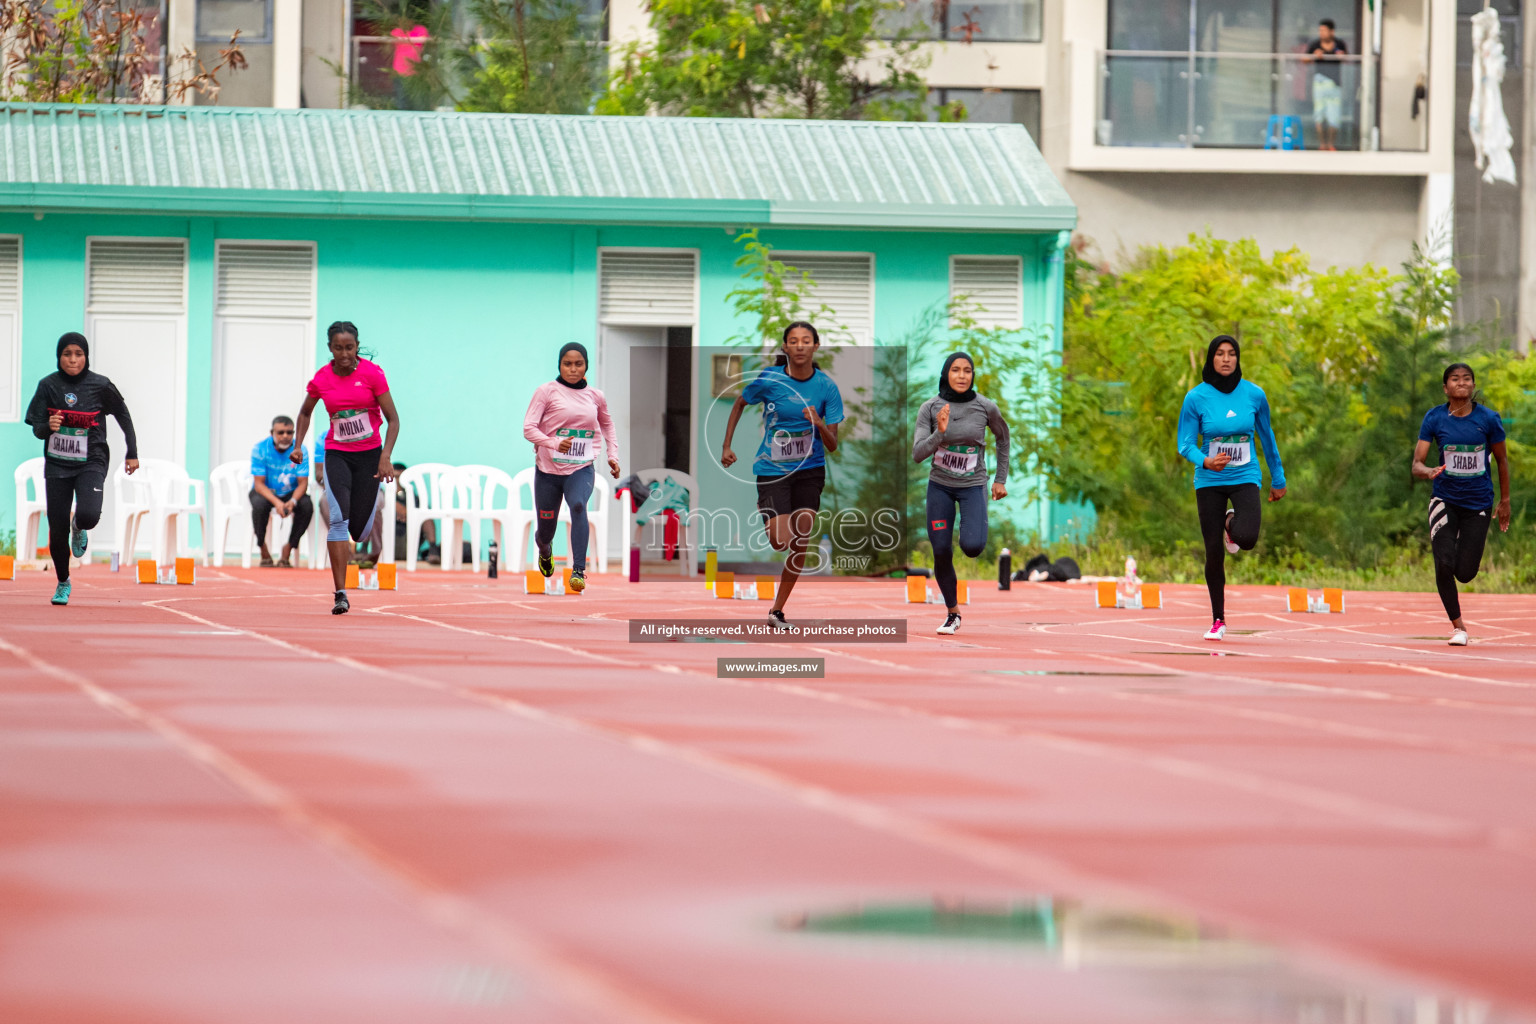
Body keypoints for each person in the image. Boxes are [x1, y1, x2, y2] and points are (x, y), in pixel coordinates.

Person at [721, 321, 844, 631]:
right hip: (772, 470)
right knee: (780, 541)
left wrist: (818, 423)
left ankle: (777, 610)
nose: (800, 345)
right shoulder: (770, 380)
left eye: (806, 340)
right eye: (793, 341)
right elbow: (740, 402)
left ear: (816, 346)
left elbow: (833, 445)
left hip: (810, 470)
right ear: (785, 348)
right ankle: (769, 515)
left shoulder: (827, 388)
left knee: (801, 539)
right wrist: (726, 446)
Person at [1176, 335, 1286, 641]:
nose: (1226, 359)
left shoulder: (1254, 394)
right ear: (1211, 359)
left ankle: (1230, 521)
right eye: (1220, 354)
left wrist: (1278, 478)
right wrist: (1205, 461)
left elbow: (1267, 436)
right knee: (1214, 552)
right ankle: (1218, 619)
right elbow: (1184, 443)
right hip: (1209, 480)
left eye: (1232, 354)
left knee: (1247, 537)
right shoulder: (1196, 398)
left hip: (1245, 475)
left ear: (1238, 359)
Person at [290, 321, 400, 615]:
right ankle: (341, 593)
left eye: (349, 347)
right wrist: (298, 445)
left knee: (360, 532)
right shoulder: (322, 379)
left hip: (369, 456)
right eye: (338, 348)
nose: (344, 354)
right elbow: (304, 412)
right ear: (330, 348)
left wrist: (385, 456)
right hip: (337, 453)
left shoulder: (372, 375)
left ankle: (357, 537)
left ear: (357, 346)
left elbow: (394, 419)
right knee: (337, 519)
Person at [23, 332, 139, 606]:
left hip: (91, 461)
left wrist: (132, 452)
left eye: (78, 354)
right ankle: (63, 582)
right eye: (67, 354)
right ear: (59, 356)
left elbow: (124, 416)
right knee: (57, 527)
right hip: (57, 465)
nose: (73, 359)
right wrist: (46, 427)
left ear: (86, 356)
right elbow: (37, 427)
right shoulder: (47, 386)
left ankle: (80, 525)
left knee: (88, 515)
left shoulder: (100, 385)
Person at [1412, 363, 1511, 647]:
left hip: (1478, 501)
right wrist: (1428, 470)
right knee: (1443, 564)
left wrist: (1505, 501)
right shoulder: (1434, 418)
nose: (1462, 383)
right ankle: (1459, 627)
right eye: (1455, 379)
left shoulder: (1489, 419)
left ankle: (1456, 546)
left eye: (1467, 378)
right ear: (1446, 388)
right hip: (1444, 498)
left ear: (1473, 385)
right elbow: (1417, 463)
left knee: (1465, 572)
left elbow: (1502, 461)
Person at [912, 351, 1010, 635]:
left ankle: (974, 526)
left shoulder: (986, 407)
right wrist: (940, 432)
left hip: (972, 485)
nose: (962, 376)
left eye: (967, 371)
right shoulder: (929, 408)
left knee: (972, 547)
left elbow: (1003, 438)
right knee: (941, 549)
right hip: (940, 486)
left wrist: (1000, 479)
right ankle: (952, 612)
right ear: (946, 374)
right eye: (956, 370)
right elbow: (918, 454)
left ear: (973, 375)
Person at [521, 342, 620, 592]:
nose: (573, 369)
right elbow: (528, 428)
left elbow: (607, 425)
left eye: (578, 364)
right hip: (548, 471)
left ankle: (578, 571)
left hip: (581, 467)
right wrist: (553, 442)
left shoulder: (596, 396)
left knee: (578, 505)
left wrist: (613, 455)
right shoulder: (546, 392)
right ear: (559, 365)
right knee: (546, 528)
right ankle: (545, 547)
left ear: (586, 365)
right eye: (567, 364)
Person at [250, 415, 313, 567]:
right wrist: (277, 502)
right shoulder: (260, 449)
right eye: (281, 432)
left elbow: (303, 483)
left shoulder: (300, 450)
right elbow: (258, 484)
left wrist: (292, 501)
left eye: (289, 432)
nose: (285, 436)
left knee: (307, 506)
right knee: (259, 506)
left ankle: (288, 549)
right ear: (272, 433)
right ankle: (262, 547)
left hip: (291, 492)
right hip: (266, 491)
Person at [1307, 18, 1349, 151]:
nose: (1322, 33)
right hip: (1319, 82)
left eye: (1324, 30)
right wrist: (1314, 56)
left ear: (1331, 31)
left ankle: (1331, 144)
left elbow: (1347, 58)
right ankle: (1322, 144)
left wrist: (1342, 57)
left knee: (1334, 114)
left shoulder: (1339, 43)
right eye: (1320, 31)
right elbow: (1304, 59)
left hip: (1334, 83)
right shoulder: (1315, 44)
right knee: (1319, 113)